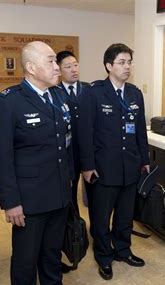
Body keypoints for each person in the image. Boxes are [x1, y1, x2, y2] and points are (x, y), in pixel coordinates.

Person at [0, 41, 73, 285]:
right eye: (50, 61)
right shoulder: (9, 102)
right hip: (29, 200)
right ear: (31, 67)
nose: (57, 67)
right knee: (26, 261)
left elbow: (65, 143)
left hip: (58, 193)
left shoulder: (58, 96)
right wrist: (10, 202)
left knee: (51, 254)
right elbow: (1, 157)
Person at [78, 43, 150, 280]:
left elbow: (140, 131)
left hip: (130, 166)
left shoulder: (134, 93)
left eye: (129, 62)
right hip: (102, 169)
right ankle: (104, 256)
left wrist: (145, 160)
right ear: (109, 66)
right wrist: (87, 166)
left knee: (125, 215)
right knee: (100, 218)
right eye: (122, 62)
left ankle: (123, 249)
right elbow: (85, 133)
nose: (127, 66)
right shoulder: (94, 93)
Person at [56, 50, 91, 215]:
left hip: (89, 152)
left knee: (95, 194)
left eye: (75, 65)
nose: (74, 70)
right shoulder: (54, 93)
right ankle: (75, 233)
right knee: (69, 194)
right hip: (68, 153)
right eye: (68, 67)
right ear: (59, 70)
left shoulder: (89, 89)